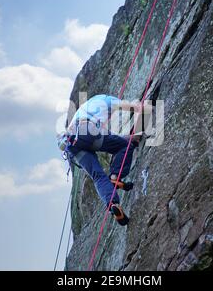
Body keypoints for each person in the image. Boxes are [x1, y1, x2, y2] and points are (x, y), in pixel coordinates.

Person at [58, 94, 151, 226]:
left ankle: (113, 204)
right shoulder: (108, 100)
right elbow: (138, 108)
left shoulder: (84, 108)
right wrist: (144, 112)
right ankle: (115, 176)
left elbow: (109, 138)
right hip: (87, 131)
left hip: (72, 143)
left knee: (98, 176)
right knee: (124, 146)